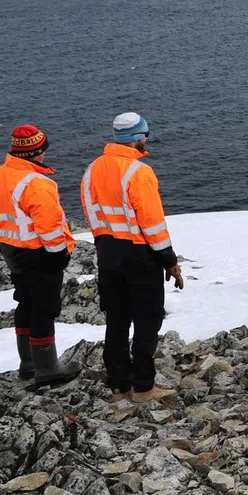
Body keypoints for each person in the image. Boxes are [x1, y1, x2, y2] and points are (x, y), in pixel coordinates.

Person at [82, 113, 185, 404]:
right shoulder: (138, 172)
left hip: (107, 254)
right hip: (139, 255)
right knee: (147, 319)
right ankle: (143, 387)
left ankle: (118, 388)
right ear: (138, 138)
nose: (147, 139)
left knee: (116, 321)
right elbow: (152, 223)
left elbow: (92, 215)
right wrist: (169, 260)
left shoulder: (91, 170)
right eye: (146, 134)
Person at [0, 124, 79, 386]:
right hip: (39, 254)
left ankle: (28, 364)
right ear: (37, 151)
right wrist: (59, 255)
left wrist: (3, 247)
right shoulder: (36, 183)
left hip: (12, 252)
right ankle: (48, 368)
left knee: (26, 304)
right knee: (44, 309)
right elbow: (49, 226)